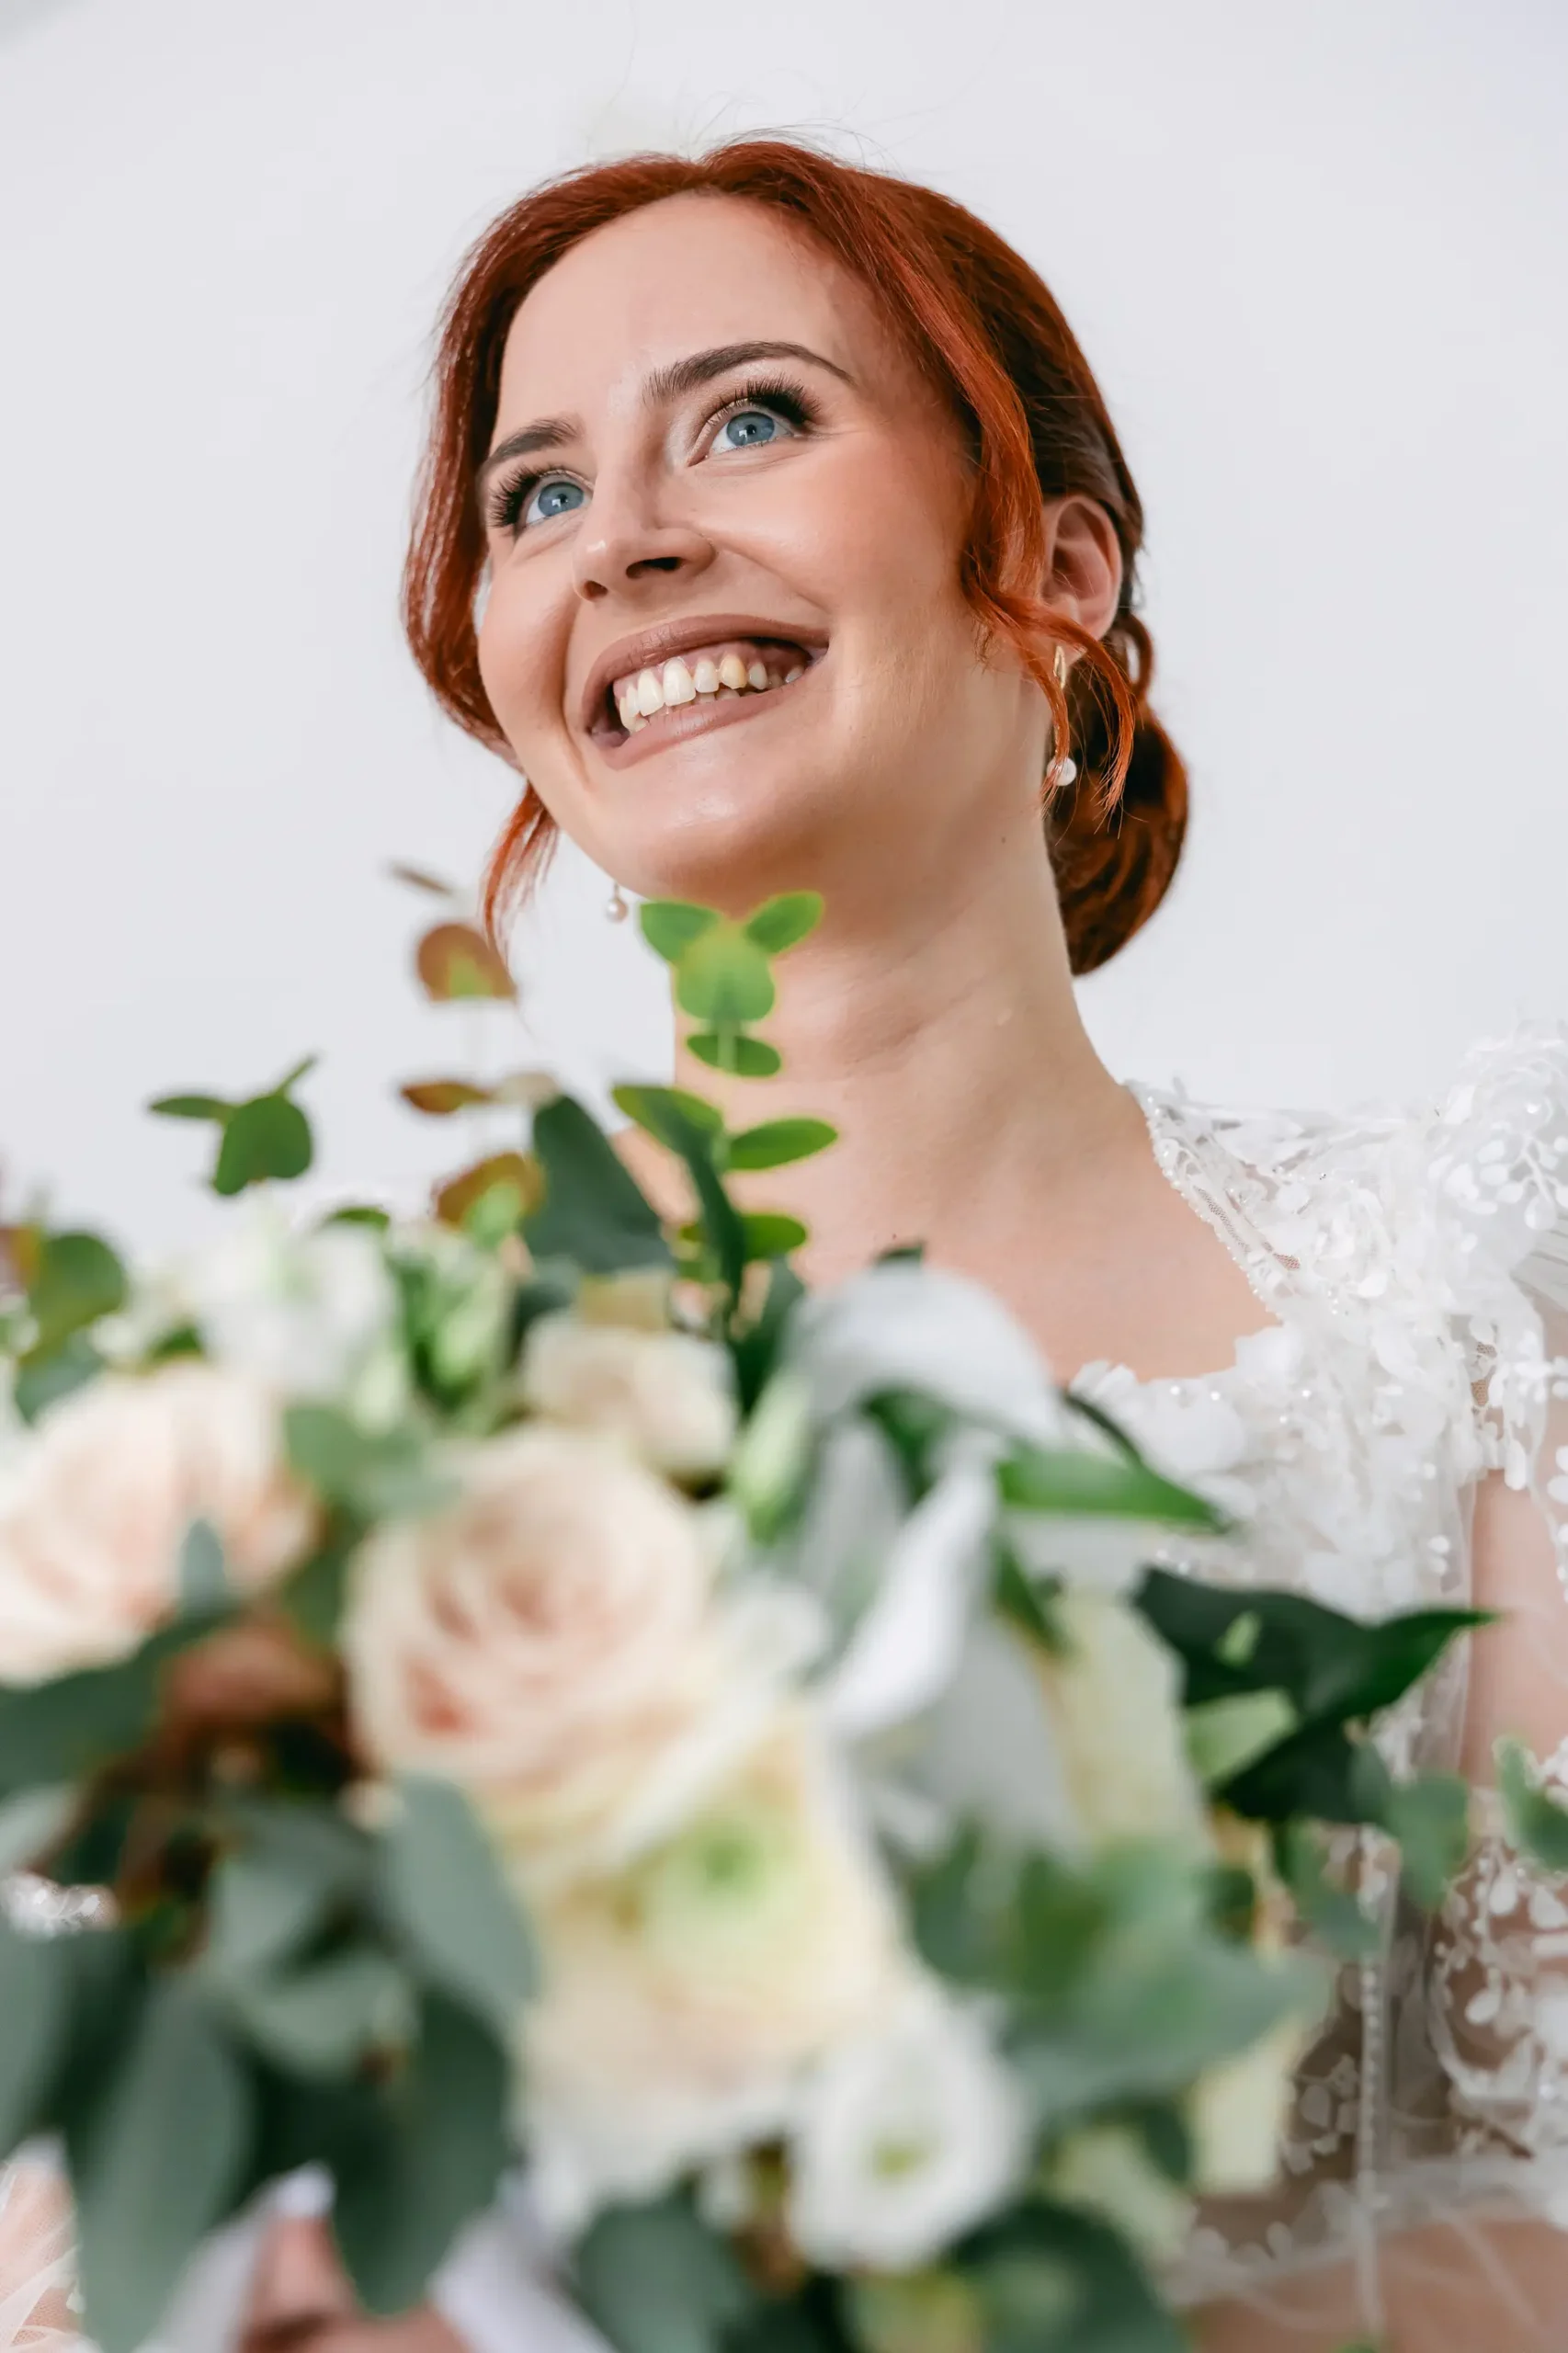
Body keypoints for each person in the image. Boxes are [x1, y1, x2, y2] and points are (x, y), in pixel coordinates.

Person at [5, 135, 1567, 2351]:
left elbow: (1549, 2188)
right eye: (539, 495)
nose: (624, 539)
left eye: (750, 418)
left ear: (1054, 562)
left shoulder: (1453, 1302)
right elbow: (83, 2254)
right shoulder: (321, 1427)